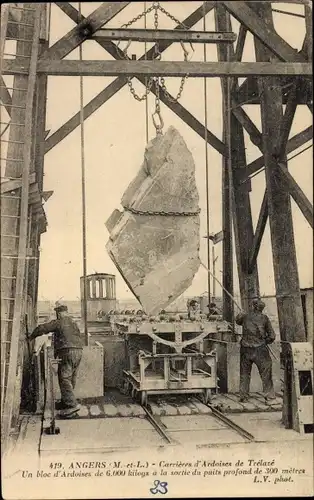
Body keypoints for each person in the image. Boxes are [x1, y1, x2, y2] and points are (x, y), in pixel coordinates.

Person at [28, 303, 84, 417]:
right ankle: (65, 402)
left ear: (59, 313)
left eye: (57, 314)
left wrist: (31, 336)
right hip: (78, 352)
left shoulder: (59, 322)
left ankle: (72, 405)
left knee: (64, 379)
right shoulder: (73, 323)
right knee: (70, 378)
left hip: (67, 352)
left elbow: (43, 328)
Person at [235, 299, 276, 403]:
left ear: (253, 306)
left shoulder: (245, 316)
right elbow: (272, 336)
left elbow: (237, 321)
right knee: (266, 372)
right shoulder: (265, 318)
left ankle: (243, 396)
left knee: (244, 373)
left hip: (245, 349)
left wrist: (241, 313)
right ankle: (269, 396)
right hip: (260, 350)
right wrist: (264, 342)